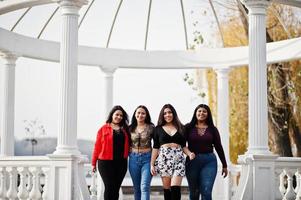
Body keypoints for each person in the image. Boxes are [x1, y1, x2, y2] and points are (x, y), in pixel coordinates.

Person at [184, 104, 228, 200]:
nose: (201, 113)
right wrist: (188, 153)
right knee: (194, 192)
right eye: (199, 111)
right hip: (192, 161)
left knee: (206, 191)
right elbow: (182, 145)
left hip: (209, 161)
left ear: (208, 114)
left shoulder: (213, 129)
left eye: (204, 111)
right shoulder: (188, 127)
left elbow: (219, 147)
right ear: (195, 113)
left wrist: (224, 165)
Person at [150, 104, 190, 200]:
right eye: (165, 113)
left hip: (178, 159)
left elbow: (184, 146)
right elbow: (155, 148)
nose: (168, 115)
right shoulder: (158, 129)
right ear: (162, 115)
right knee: (167, 190)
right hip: (164, 160)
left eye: (170, 112)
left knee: (175, 188)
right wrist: (152, 164)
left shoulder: (182, 128)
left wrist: (190, 153)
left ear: (173, 113)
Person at [91, 105, 130, 200]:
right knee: (109, 187)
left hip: (121, 163)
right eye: (117, 114)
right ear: (112, 115)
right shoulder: (103, 129)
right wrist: (93, 163)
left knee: (116, 189)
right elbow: (97, 147)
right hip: (105, 163)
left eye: (121, 115)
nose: (119, 117)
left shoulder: (125, 130)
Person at [129, 105, 155, 200]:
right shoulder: (130, 128)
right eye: (138, 113)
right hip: (133, 158)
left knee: (144, 186)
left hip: (147, 159)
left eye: (143, 113)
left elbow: (157, 144)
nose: (140, 115)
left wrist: (154, 161)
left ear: (146, 115)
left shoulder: (151, 127)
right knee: (137, 188)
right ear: (135, 114)